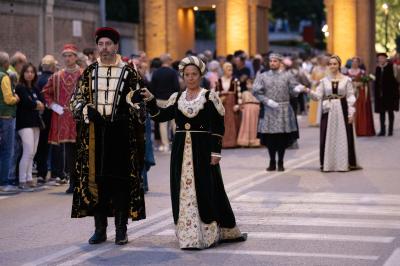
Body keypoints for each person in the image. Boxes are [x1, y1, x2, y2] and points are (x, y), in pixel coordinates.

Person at [142, 55, 247, 249]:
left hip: (203, 149)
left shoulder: (209, 97)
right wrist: (150, 100)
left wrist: (216, 152)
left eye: (194, 74)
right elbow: (160, 116)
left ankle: (208, 233)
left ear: (200, 75)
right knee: (182, 189)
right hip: (181, 149)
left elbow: (217, 126)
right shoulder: (177, 97)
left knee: (206, 188)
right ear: (182, 76)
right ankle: (189, 234)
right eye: (187, 75)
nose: (190, 78)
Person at [70, 27, 146, 245]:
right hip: (95, 135)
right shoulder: (89, 72)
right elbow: (75, 100)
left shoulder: (130, 73)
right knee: (98, 183)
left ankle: (121, 230)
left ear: (116, 46)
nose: (104, 48)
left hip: (121, 135)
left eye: (108, 44)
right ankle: (100, 229)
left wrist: (132, 105)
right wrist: (86, 109)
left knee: (120, 184)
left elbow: (140, 103)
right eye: (100, 44)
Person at [307, 55, 361, 172]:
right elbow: (317, 96)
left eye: (334, 64)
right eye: (330, 64)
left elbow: (350, 96)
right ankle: (329, 164)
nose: (332, 66)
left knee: (343, 136)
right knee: (328, 136)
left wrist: (351, 113)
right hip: (328, 111)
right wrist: (307, 90)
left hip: (343, 109)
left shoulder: (346, 80)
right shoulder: (324, 81)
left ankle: (343, 164)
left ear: (339, 65)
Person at [253, 53, 305, 171]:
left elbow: (293, 90)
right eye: (271, 61)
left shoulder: (287, 76)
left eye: (275, 61)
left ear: (280, 63)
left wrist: (297, 90)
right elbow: (256, 92)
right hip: (269, 109)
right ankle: (272, 161)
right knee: (271, 138)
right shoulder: (263, 76)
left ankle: (281, 162)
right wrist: (267, 101)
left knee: (281, 138)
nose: (272, 63)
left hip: (284, 110)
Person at [43, 44, 81, 191]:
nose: (67, 58)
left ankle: (83, 181)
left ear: (75, 57)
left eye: (70, 55)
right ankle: (73, 182)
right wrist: (54, 107)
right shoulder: (57, 76)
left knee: (82, 151)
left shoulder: (84, 74)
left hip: (80, 118)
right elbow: (46, 92)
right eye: (65, 56)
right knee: (69, 152)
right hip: (65, 119)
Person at [15, 63, 45, 191]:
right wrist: (36, 104)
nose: (30, 74)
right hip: (24, 124)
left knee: (32, 153)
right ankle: (22, 180)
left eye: (32, 72)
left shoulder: (35, 88)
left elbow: (42, 102)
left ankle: (29, 178)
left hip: (35, 123)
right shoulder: (20, 87)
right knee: (27, 152)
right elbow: (27, 103)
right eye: (27, 72)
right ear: (23, 73)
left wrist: (37, 103)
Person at [150, 53, 180, 152]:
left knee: (162, 124)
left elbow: (152, 87)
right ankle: (177, 143)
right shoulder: (173, 72)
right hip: (171, 99)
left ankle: (165, 144)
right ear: (168, 61)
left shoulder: (156, 72)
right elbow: (176, 87)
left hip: (159, 100)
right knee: (174, 122)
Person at [35, 55, 57, 184]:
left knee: (40, 145)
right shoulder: (53, 78)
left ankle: (41, 173)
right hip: (51, 114)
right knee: (52, 145)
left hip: (39, 115)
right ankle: (54, 173)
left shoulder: (36, 79)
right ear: (53, 66)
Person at [0, 51, 20, 193]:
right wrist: (16, 98)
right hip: (6, 117)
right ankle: (4, 183)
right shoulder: (4, 77)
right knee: (7, 151)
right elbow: (8, 99)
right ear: (6, 63)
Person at [345, 57, 375, 136]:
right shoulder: (347, 72)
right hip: (350, 93)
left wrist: (361, 84)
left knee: (360, 110)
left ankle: (362, 130)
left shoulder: (362, 72)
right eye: (353, 62)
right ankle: (349, 131)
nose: (354, 63)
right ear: (351, 63)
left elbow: (366, 83)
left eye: (356, 62)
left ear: (359, 63)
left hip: (360, 94)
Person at [215, 62, 241, 148]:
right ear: (224, 70)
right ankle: (222, 143)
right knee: (223, 122)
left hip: (231, 103)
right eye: (229, 70)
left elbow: (238, 93)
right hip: (223, 103)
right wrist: (220, 95)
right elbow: (215, 93)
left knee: (232, 122)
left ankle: (232, 142)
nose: (231, 72)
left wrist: (238, 104)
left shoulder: (235, 80)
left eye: (231, 70)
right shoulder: (219, 80)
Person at [374, 53, 399, 136]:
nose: (380, 60)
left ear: (385, 59)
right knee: (382, 113)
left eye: (382, 58)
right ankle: (382, 130)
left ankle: (390, 130)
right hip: (380, 95)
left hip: (390, 95)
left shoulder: (391, 67)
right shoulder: (377, 68)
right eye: (379, 58)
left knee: (390, 112)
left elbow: (396, 80)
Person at [237, 79, 260, 147]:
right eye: (247, 84)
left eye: (251, 84)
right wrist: (240, 108)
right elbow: (241, 102)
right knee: (246, 124)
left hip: (255, 109)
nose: (249, 85)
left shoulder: (258, 92)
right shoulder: (244, 93)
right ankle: (244, 141)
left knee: (254, 124)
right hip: (246, 109)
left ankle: (253, 142)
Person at [308, 55, 328, 126]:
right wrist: (316, 82)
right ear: (320, 61)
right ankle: (315, 121)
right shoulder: (315, 69)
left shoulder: (328, 69)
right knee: (316, 105)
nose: (325, 61)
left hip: (326, 89)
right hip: (316, 88)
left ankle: (325, 121)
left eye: (326, 60)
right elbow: (311, 79)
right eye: (323, 60)